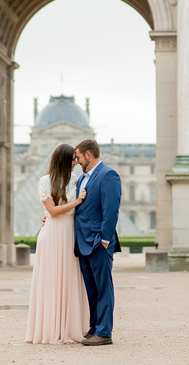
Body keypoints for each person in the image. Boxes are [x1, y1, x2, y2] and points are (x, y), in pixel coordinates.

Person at [25, 144, 89, 344]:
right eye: (72, 160)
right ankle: (52, 329)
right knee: (52, 280)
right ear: (63, 160)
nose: (75, 163)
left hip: (70, 233)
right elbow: (52, 211)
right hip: (52, 234)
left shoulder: (77, 180)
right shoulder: (45, 181)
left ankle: (71, 328)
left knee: (70, 279)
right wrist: (76, 202)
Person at [73, 139, 122, 346]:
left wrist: (103, 239)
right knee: (92, 289)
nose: (76, 161)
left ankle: (104, 332)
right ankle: (94, 328)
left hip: (96, 242)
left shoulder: (107, 175)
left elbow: (111, 210)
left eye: (78, 157)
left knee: (103, 288)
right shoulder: (82, 178)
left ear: (88, 155)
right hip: (83, 242)